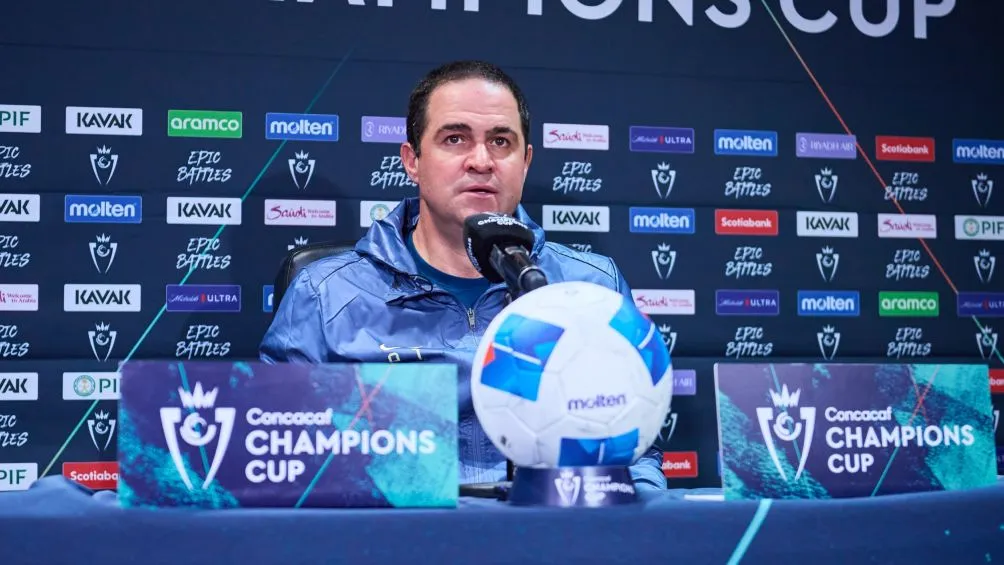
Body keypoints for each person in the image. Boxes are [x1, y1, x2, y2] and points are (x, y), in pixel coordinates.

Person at [259, 60, 666, 491]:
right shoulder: (324, 295)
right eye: (455, 139)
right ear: (412, 161)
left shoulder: (592, 288)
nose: (481, 161)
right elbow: (283, 462)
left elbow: (635, 454)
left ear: (525, 162)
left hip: (551, 527)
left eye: (501, 141)